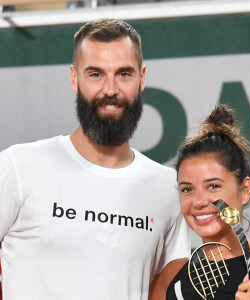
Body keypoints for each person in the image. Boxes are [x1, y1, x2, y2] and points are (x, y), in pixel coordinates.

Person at [0, 18, 191, 299]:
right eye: (95, 74)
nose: (110, 90)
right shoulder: (18, 167)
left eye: (124, 74)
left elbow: (166, 293)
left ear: (142, 78)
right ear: (74, 78)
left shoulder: (168, 189)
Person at [149, 105, 250, 300]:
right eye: (187, 189)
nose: (199, 201)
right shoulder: (172, 277)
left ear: (245, 190)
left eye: (213, 186)